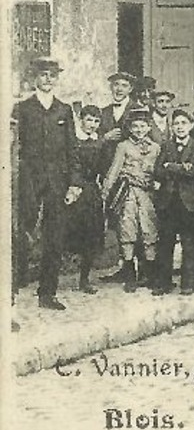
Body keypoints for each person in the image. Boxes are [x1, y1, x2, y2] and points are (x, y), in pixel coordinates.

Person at [15, 57, 82, 311]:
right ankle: (13, 288)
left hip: (57, 181)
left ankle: (48, 293)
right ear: (34, 77)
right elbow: (13, 147)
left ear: (57, 79)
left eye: (52, 75)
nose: (47, 79)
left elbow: (72, 149)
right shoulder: (22, 108)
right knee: (22, 231)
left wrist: (74, 183)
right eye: (43, 75)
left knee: (55, 236)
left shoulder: (64, 110)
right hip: (28, 181)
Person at [103, 105, 161, 290]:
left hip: (148, 195)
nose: (139, 130)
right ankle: (130, 276)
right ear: (129, 128)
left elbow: (160, 172)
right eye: (135, 126)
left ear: (149, 128)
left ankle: (150, 274)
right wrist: (105, 192)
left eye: (143, 126)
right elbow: (114, 170)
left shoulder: (156, 148)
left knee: (149, 231)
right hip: (128, 193)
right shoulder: (123, 146)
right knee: (127, 231)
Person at [152, 107, 194, 294]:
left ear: (191, 126)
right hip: (168, 202)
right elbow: (157, 171)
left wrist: (170, 166)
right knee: (165, 243)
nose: (180, 127)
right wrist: (179, 167)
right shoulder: (166, 146)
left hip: (189, 203)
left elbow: (193, 171)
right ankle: (163, 283)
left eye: (184, 123)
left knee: (189, 243)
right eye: (176, 123)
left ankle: (187, 283)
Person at [66, 104, 105, 295]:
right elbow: (70, 166)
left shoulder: (99, 142)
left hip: (92, 192)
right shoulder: (73, 140)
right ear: (81, 120)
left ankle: (84, 279)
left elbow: (104, 168)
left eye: (96, 121)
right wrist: (73, 187)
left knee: (91, 234)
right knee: (68, 233)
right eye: (89, 120)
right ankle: (51, 279)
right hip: (74, 190)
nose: (92, 125)